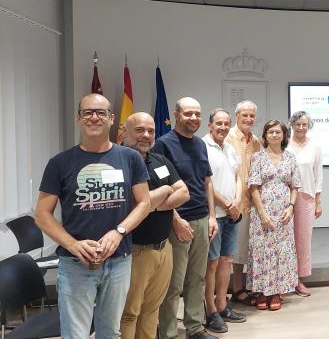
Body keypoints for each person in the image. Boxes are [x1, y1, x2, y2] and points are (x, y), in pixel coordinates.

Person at [34, 94, 152, 338]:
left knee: (110, 332)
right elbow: (42, 215)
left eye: (101, 113)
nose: (94, 117)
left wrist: (119, 232)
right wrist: (73, 244)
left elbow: (144, 203)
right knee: (75, 334)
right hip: (76, 263)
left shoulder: (130, 158)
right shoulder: (60, 163)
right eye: (88, 112)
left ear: (111, 119)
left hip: (119, 261)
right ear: (78, 118)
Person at [120, 112, 189, 339]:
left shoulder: (159, 159)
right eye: (139, 130)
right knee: (129, 313)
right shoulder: (118, 161)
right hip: (135, 251)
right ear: (124, 131)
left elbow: (184, 192)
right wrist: (166, 190)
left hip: (163, 248)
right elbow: (132, 205)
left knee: (151, 311)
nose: (146, 135)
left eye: (151, 131)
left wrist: (151, 205)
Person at [154, 97, 218, 339]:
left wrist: (212, 217)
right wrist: (175, 220)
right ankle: (168, 333)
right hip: (177, 223)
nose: (194, 118)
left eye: (197, 114)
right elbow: (161, 189)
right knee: (173, 283)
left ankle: (195, 328)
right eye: (188, 113)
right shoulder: (163, 145)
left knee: (197, 278)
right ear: (177, 114)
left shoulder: (200, 145)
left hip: (202, 219)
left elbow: (207, 182)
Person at [248, 120, 302, 311]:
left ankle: (277, 291)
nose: (274, 135)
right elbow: (253, 187)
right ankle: (263, 291)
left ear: (284, 136)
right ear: (265, 136)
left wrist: (291, 207)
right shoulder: (257, 157)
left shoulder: (290, 157)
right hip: (262, 212)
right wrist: (262, 213)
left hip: (284, 213)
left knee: (281, 251)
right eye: (270, 132)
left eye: (278, 132)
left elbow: (295, 186)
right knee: (263, 251)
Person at [203, 109, 247, 333]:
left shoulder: (229, 148)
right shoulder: (202, 147)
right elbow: (205, 183)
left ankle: (222, 305)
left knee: (226, 261)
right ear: (210, 125)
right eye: (218, 123)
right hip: (214, 216)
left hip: (231, 214)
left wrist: (237, 201)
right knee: (211, 264)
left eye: (226, 123)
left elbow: (238, 177)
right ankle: (209, 310)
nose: (222, 127)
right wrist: (227, 205)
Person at [224, 100, 262, 304]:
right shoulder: (227, 138)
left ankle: (240, 288)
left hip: (250, 202)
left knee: (243, 248)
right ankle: (232, 291)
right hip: (230, 203)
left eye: (252, 116)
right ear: (236, 115)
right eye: (244, 115)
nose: (248, 119)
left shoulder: (255, 141)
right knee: (230, 250)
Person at [286, 111, 324, 297]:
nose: (301, 127)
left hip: (306, 197)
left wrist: (318, 201)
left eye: (304, 124)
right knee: (285, 239)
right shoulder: (284, 145)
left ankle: (299, 280)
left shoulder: (315, 147)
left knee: (302, 241)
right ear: (291, 125)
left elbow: (318, 175)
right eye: (297, 124)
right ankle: (283, 279)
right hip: (283, 198)